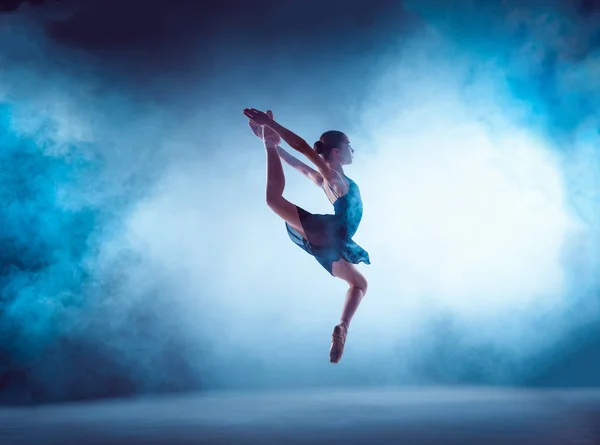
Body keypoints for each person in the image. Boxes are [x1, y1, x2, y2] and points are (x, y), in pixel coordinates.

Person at [243, 108, 370, 363]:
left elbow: (299, 166)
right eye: (349, 145)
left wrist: (272, 144)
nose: (352, 150)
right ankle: (342, 326)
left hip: (331, 243)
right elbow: (302, 148)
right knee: (274, 201)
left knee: (360, 284)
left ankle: (342, 329)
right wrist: (271, 125)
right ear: (336, 151)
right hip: (331, 233)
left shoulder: (326, 180)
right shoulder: (333, 177)